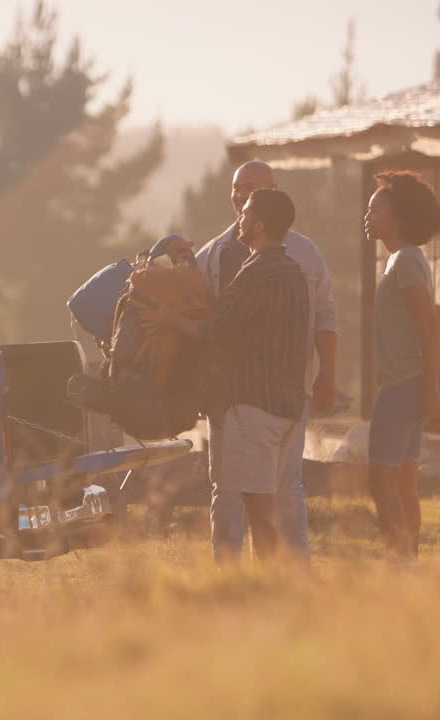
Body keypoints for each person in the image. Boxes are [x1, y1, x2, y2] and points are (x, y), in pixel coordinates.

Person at [142, 189, 311, 563]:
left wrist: (170, 320)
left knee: (258, 510)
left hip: (253, 407)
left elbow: (217, 330)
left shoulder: (257, 272)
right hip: (286, 406)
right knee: (268, 504)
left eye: (246, 213)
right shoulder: (292, 271)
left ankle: (263, 589)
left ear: (260, 224)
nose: (240, 218)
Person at [194, 161, 339, 565]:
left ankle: (292, 568)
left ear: (273, 193)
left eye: (254, 189)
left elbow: (326, 316)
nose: (243, 196)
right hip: (231, 394)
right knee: (226, 486)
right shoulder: (213, 255)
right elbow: (199, 309)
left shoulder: (304, 255)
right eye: (239, 187)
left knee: (284, 485)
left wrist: (328, 374)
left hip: (285, 390)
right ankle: (229, 567)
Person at [364, 170, 440, 561]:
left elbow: (427, 323)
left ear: (396, 217)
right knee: (402, 481)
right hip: (408, 384)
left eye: (375, 209)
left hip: (404, 386)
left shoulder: (406, 261)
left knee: (380, 480)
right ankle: (408, 564)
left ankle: (398, 562)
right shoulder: (401, 260)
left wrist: (432, 390)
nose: (367, 216)